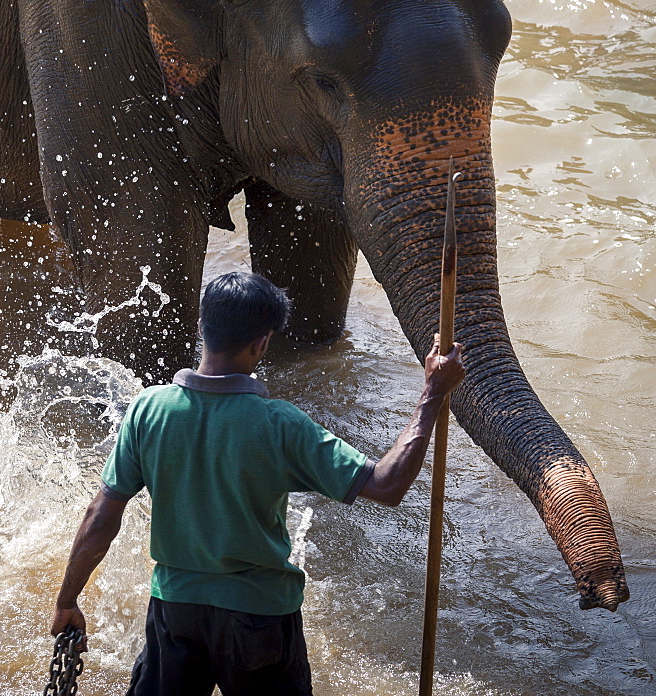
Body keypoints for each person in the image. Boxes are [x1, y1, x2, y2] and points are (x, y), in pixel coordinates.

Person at [50, 271, 465, 695]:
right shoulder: (279, 424)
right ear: (262, 343)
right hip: (260, 619)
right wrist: (433, 393)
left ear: (202, 327)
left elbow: (100, 517)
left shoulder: (148, 409)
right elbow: (387, 485)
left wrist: (67, 600)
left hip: (175, 613)